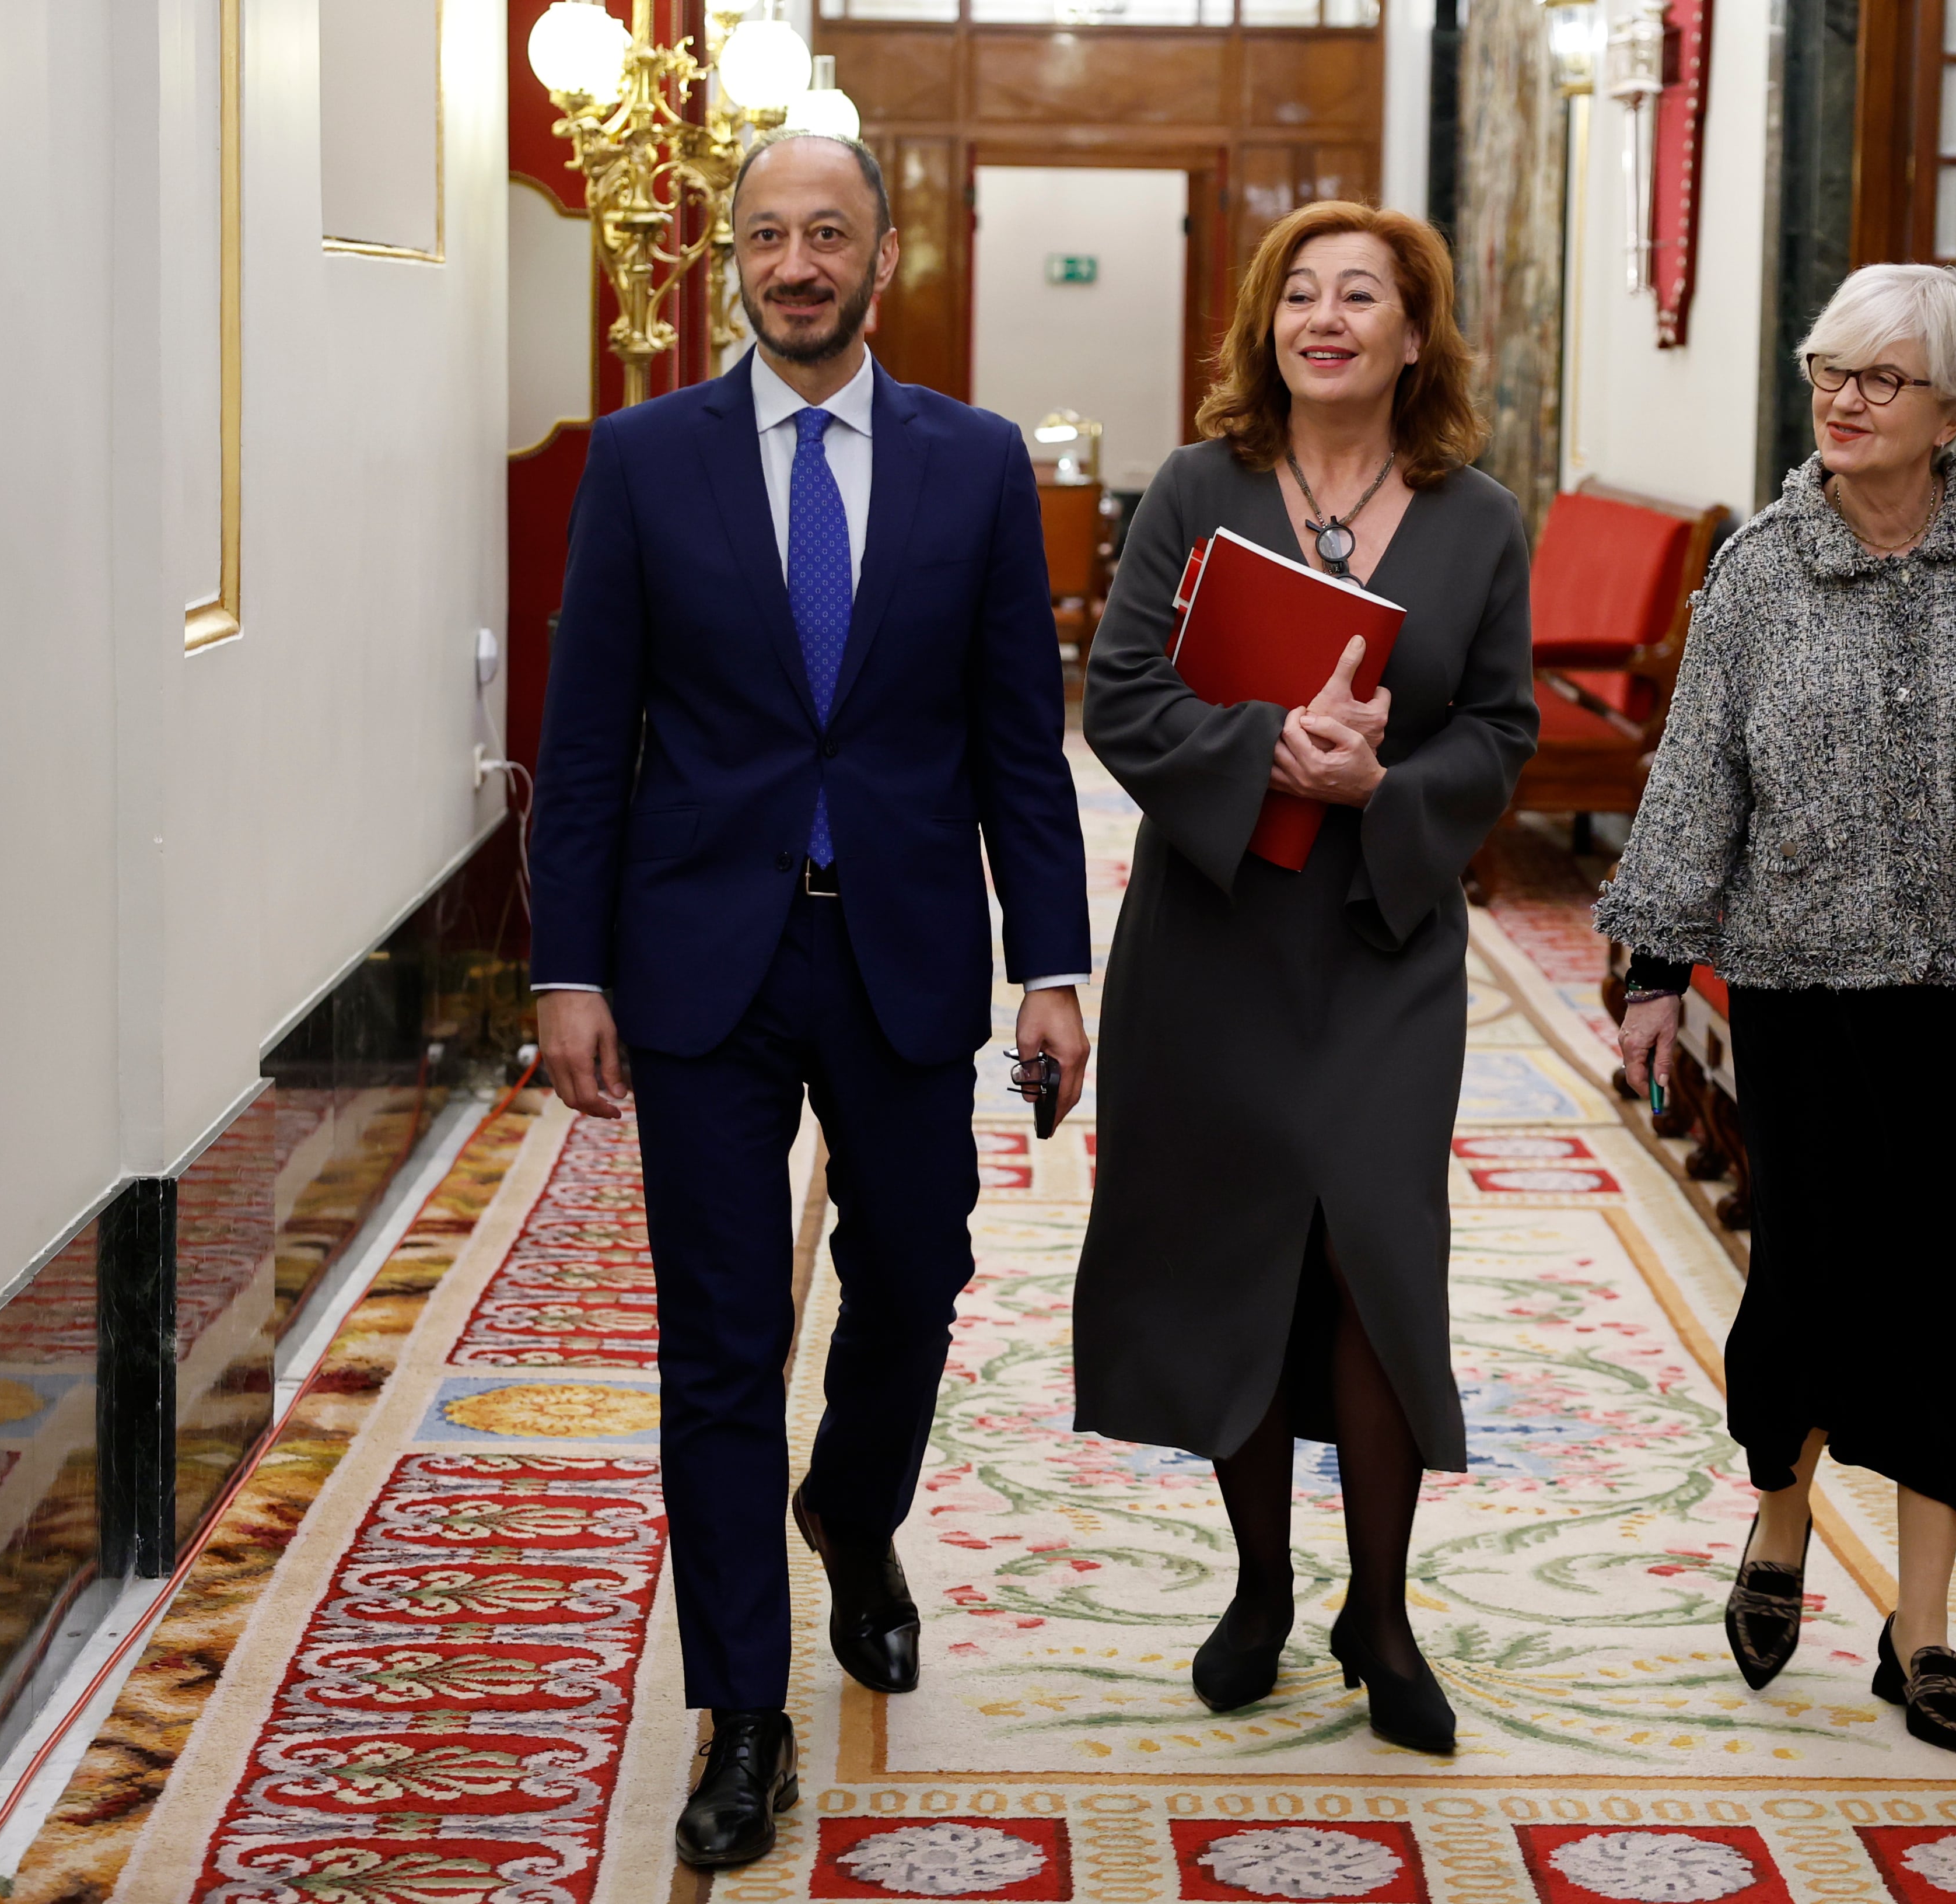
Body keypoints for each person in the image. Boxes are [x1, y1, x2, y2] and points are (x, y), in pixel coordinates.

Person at [529, 130, 1091, 1867]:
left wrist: (1053, 964)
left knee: (916, 1271)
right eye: (766, 233)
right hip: (704, 953)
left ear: (884, 253)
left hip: (905, 944)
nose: (795, 261)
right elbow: (588, 733)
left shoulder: (975, 463)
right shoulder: (642, 461)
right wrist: (568, 965)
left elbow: (1018, 734)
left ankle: (852, 1503)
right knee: (718, 1341)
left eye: (826, 233)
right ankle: (746, 1715)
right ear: (731, 255)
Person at [1598, 264, 1956, 1756]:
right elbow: (1694, 776)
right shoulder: (1760, 573)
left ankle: (1924, 1631)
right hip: (1804, 997)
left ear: (1955, 410)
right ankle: (1781, 1523)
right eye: (1825, 368)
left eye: (1879, 379)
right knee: (1813, 1287)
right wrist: (1657, 973)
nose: (1842, 400)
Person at [1070, 201, 1535, 1757]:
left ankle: (1381, 1611)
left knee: (1377, 1265)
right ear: (1267, 327)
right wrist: (1267, 748)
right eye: (1300, 295)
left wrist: (1375, 795)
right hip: (1213, 944)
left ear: (1416, 334)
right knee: (1238, 1260)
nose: (1326, 318)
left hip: (1384, 946)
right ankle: (1262, 1588)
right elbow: (1122, 695)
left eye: (1364, 295)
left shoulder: (1478, 519)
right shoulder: (1197, 492)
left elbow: (1503, 734)